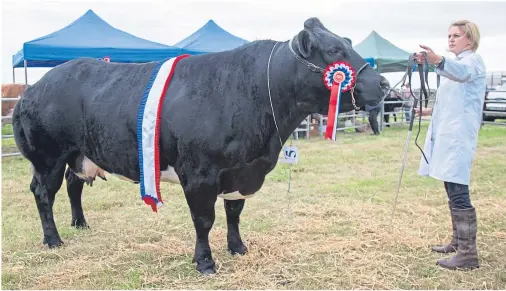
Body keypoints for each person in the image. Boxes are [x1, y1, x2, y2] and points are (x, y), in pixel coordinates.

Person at [414, 20, 486, 270]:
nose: (451, 39)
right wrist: (427, 110)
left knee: (458, 188)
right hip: (449, 134)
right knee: (451, 185)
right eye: (449, 35)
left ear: (470, 38)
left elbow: (461, 73)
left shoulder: (472, 61)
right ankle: (458, 242)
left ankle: (468, 254)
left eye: (457, 35)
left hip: (459, 136)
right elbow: (454, 99)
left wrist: (437, 60)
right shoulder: (457, 65)